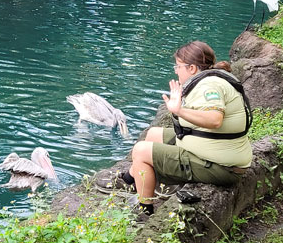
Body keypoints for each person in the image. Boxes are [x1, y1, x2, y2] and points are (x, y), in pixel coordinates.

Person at [96, 41, 253, 216]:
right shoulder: (208, 79)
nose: (176, 70)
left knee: (141, 151)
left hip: (222, 167)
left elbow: (215, 120)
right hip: (215, 151)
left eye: (178, 66)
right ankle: (132, 180)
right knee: (154, 134)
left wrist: (179, 110)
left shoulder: (209, 86)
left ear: (192, 68)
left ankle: (144, 209)